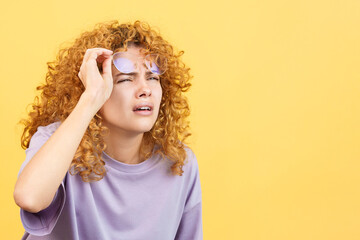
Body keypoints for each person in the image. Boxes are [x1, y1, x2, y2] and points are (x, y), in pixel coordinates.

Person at [13, 20, 202, 240]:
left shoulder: (179, 162)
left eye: (152, 78)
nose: (145, 90)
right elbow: (29, 198)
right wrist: (90, 99)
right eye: (125, 80)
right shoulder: (57, 141)